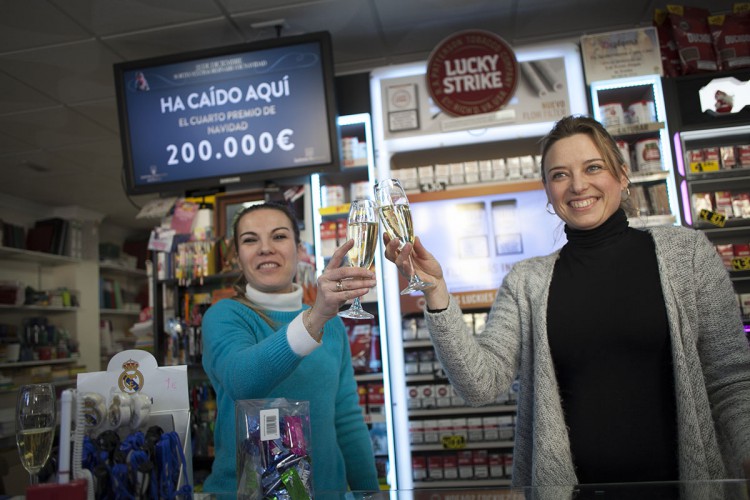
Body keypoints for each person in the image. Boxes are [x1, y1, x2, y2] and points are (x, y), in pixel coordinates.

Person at [383, 115, 750, 491]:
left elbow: (731, 380)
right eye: (559, 175)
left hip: (684, 489)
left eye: (593, 167)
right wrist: (436, 292)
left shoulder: (686, 256)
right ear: (547, 189)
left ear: (622, 176)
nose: (577, 185)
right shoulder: (528, 282)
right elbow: (480, 384)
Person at [201, 201, 379, 496]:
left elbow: (346, 420)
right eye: (250, 240)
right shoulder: (225, 316)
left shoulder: (331, 325)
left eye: (279, 236)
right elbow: (241, 380)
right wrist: (315, 317)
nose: (265, 248)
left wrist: (370, 493)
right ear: (237, 256)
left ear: (299, 250)